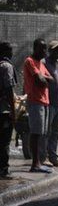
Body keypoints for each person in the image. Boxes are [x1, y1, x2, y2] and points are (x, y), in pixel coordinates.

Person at [23, 38, 53, 173]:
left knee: (42, 133)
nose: (45, 51)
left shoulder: (41, 64)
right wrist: (43, 79)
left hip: (44, 101)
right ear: (35, 48)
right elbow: (40, 81)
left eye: (45, 48)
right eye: (42, 48)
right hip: (35, 100)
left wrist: (43, 78)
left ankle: (39, 162)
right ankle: (35, 164)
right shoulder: (29, 61)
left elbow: (51, 79)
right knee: (35, 133)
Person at [41, 40, 58, 168]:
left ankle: (53, 157)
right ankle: (43, 157)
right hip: (48, 102)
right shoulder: (44, 63)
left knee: (56, 131)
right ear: (50, 50)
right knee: (46, 131)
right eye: (56, 49)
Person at [0, 42, 15, 180]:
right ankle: (4, 170)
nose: (12, 53)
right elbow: (9, 89)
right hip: (4, 111)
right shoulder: (7, 66)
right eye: (10, 50)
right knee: (4, 141)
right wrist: (14, 110)